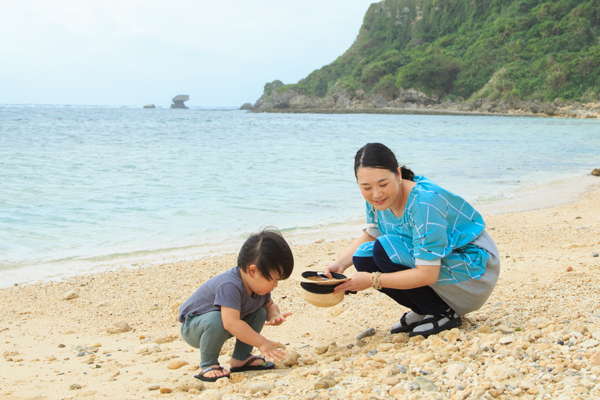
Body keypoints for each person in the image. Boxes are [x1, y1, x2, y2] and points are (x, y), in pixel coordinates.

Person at [326, 143, 500, 338]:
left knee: (384, 249)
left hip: (474, 273)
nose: (376, 194)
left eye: (383, 184)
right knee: (363, 257)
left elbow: (428, 274)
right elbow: (372, 234)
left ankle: (443, 313)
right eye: (366, 187)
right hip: (442, 265)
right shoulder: (377, 201)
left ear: (398, 174)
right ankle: (425, 308)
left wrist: (372, 280)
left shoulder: (423, 202)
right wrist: (339, 264)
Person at [178, 227, 294, 381]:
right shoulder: (230, 285)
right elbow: (231, 323)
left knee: (260, 312)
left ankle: (241, 358)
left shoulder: (259, 288)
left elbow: (269, 306)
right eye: (273, 280)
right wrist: (262, 343)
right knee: (217, 319)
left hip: (220, 326)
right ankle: (207, 364)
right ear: (253, 271)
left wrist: (274, 316)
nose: (275, 286)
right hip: (194, 327)